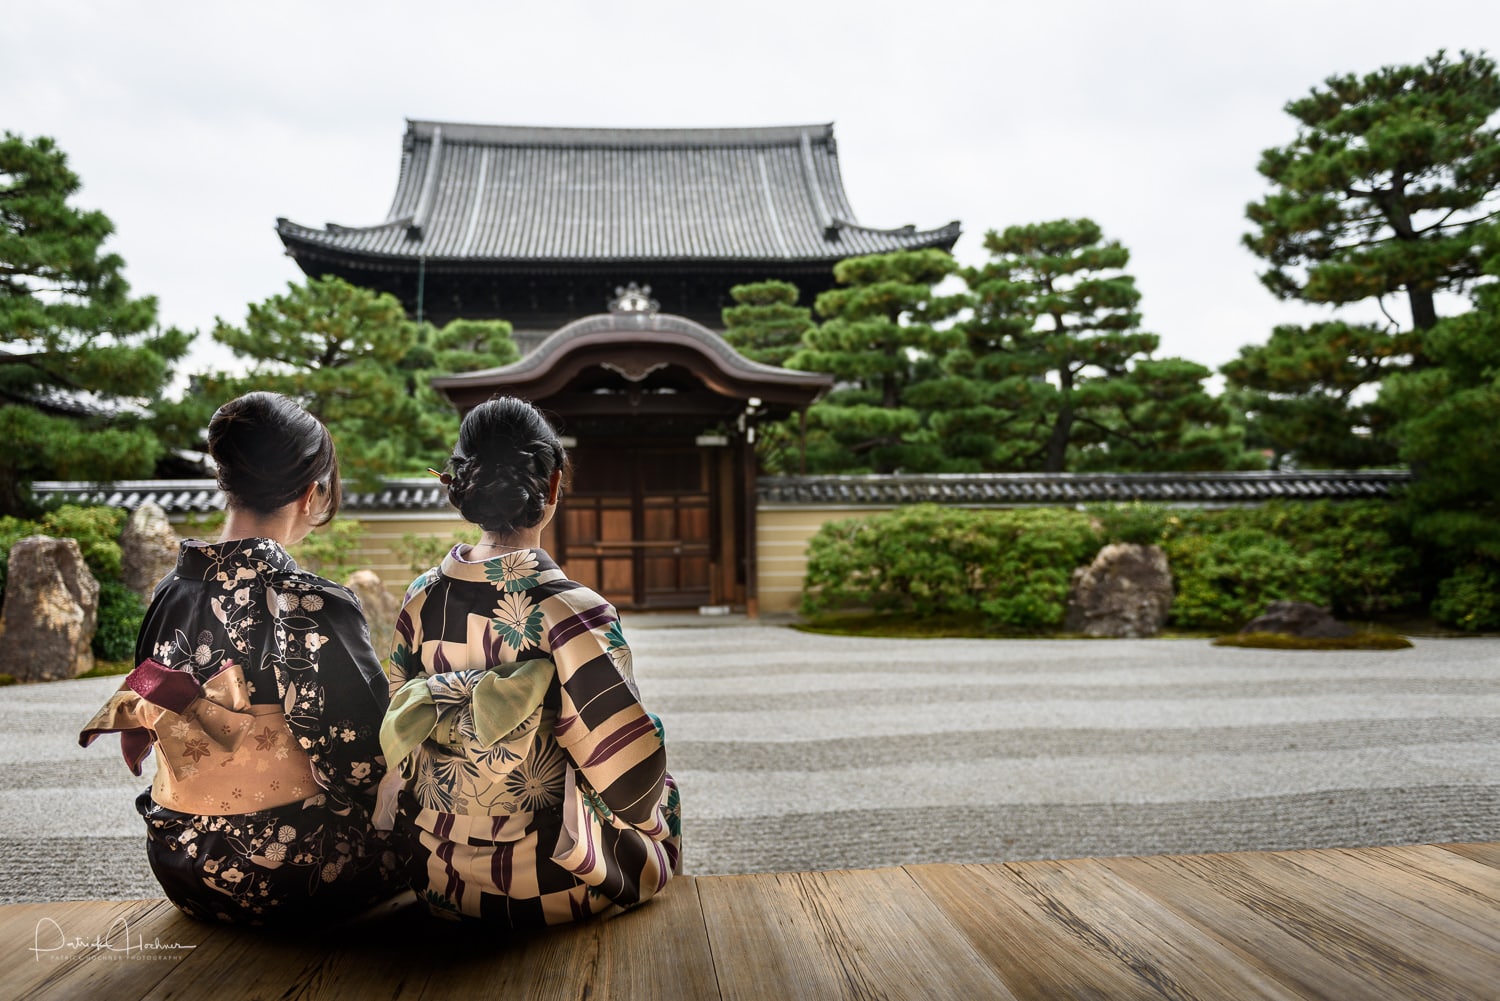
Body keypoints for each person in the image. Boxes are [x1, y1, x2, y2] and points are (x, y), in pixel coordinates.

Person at [79, 392, 405, 925]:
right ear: (310, 492)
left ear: (225, 481)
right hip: (295, 873)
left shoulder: (168, 593)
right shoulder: (309, 602)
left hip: (178, 862)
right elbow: (363, 760)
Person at [378, 396, 681, 926]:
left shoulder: (420, 598)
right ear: (554, 486)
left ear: (458, 489)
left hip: (436, 873)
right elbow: (626, 771)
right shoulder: (570, 610)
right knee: (658, 780)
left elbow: (396, 730)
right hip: (550, 883)